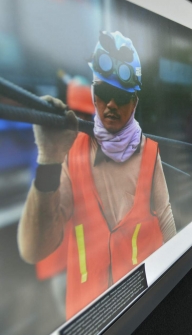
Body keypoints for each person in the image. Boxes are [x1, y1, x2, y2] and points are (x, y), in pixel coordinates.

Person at [17, 31, 176, 319]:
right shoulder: (69, 154)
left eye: (121, 96)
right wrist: (49, 157)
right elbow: (33, 249)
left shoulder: (151, 153)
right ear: (92, 93)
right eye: (103, 93)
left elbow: (166, 218)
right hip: (92, 317)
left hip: (146, 304)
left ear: (135, 102)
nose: (111, 104)